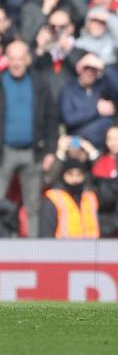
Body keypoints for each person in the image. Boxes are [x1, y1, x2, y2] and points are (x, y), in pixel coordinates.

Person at [0, 40, 59, 237]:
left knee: (32, 206)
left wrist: (50, 150)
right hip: (3, 152)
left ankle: (33, 253)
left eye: (20, 58)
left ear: (28, 59)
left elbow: (52, 118)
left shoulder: (39, 83)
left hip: (32, 152)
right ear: (6, 59)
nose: (16, 63)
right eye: (12, 58)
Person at [39, 159, 100, 239]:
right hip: (63, 249)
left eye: (79, 175)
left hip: (92, 248)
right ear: (63, 176)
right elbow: (46, 232)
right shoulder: (54, 198)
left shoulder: (90, 197)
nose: (75, 179)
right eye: (70, 174)